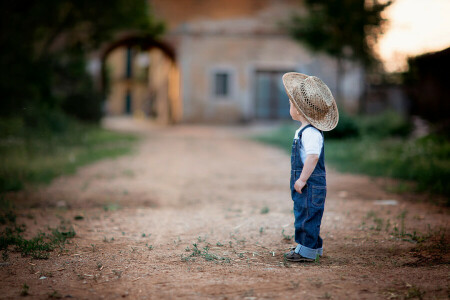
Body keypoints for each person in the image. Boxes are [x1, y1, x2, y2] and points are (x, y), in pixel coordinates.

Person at [281, 72, 339, 262]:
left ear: (298, 109)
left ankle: (306, 251)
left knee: (307, 214)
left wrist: (302, 179)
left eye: (291, 104)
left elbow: (313, 157)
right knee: (304, 212)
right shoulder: (304, 130)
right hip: (308, 182)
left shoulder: (311, 133)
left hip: (311, 182)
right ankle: (311, 246)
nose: (289, 107)